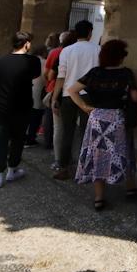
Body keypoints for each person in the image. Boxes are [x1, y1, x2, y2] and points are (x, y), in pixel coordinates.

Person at [66, 38, 137, 209]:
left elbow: (71, 90)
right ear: (121, 57)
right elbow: (135, 97)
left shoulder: (95, 73)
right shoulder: (126, 73)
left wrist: (85, 107)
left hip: (97, 118)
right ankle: (131, 187)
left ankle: (99, 197)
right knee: (124, 150)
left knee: (98, 153)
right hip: (117, 118)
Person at [0, 32, 42, 188]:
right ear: (26, 44)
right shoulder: (33, 61)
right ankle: (12, 169)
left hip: (0, 106)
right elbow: (35, 76)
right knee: (18, 139)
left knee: (0, 141)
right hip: (22, 106)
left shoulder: (0, 61)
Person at [53, 20, 99, 180]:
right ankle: (85, 168)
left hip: (68, 95)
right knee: (87, 133)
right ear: (89, 33)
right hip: (89, 95)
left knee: (68, 132)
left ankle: (64, 167)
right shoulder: (97, 50)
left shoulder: (66, 51)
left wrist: (54, 97)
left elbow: (61, 76)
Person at [43, 30, 72, 154]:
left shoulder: (54, 52)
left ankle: (49, 143)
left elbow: (48, 74)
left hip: (54, 88)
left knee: (51, 120)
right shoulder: (70, 53)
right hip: (70, 90)